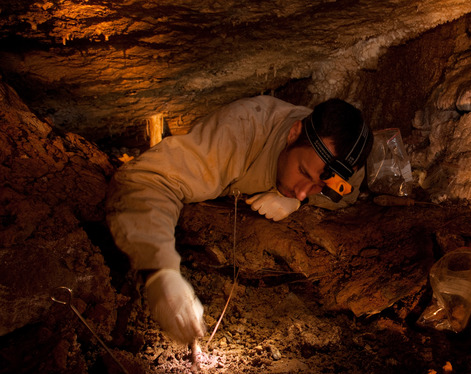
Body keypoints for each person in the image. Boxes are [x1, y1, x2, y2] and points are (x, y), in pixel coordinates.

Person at [106, 95, 373, 346]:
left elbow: (348, 193)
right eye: (302, 171)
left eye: (318, 185)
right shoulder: (239, 133)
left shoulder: (345, 165)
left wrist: (297, 201)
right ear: (293, 134)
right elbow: (146, 180)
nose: (303, 189)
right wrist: (160, 271)